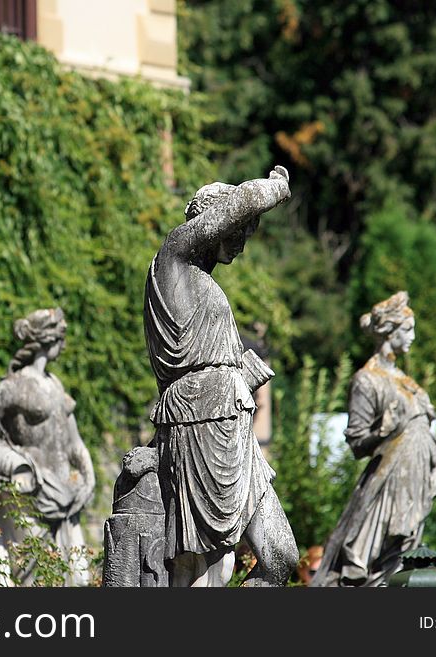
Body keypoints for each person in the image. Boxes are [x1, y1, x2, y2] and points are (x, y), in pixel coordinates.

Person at [145, 166, 298, 587]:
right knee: (207, 569)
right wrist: (276, 188)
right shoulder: (174, 256)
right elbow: (244, 200)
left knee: (281, 559)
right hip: (200, 424)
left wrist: (239, 376)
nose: (242, 245)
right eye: (239, 232)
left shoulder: (204, 283)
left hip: (231, 420)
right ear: (211, 222)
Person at [310, 291, 436, 587]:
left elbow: (423, 432)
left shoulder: (407, 382)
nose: (413, 336)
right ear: (389, 332)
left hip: (415, 482)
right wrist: (383, 432)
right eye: (408, 329)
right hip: (387, 487)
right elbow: (356, 444)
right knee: (378, 567)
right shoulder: (367, 380)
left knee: (406, 562)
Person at [0, 308, 95, 586]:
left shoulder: (55, 384)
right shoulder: (13, 387)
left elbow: (73, 441)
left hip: (66, 494)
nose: (64, 345)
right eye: (61, 337)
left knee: (77, 579)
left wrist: (88, 474)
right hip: (29, 496)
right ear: (48, 339)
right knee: (35, 577)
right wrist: (7, 465)